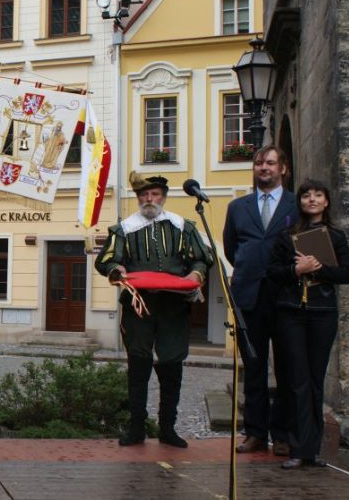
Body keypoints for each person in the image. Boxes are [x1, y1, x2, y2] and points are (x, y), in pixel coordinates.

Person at [94, 172, 213, 448]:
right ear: (138, 199)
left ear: (164, 197)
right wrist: (116, 270)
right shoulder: (124, 229)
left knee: (172, 365)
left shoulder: (182, 226)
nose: (149, 199)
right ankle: (136, 427)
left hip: (174, 306)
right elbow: (106, 261)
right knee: (138, 365)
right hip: (140, 306)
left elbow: (201, 259)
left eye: (155, 194)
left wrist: (195, 275)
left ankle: (167, 428)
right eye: (144, 195)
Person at [267, 179, 349, 469]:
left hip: (322, 312)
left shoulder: (337, 237)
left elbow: (347, 274)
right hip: (291, 312)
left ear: (326, 201)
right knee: (296, 380)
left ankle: (313, 451)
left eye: (318, 195)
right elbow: (273, 273)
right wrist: (296, 269)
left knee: (316, 380)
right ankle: (297, 448)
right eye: (307, 195)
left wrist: (318, 268)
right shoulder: (285, 236)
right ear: (300, 202)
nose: (312, 199)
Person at [223, 145, 299, 456]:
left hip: (285, 296)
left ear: (283, 169)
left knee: (286, 368)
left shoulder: (297, 204)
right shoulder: (238, 207)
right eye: (258, 163)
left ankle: (281, 434)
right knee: (253, 366)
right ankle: (254, 433)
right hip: (249, 295)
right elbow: (231, 248)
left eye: (269, 163)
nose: (263, 168)